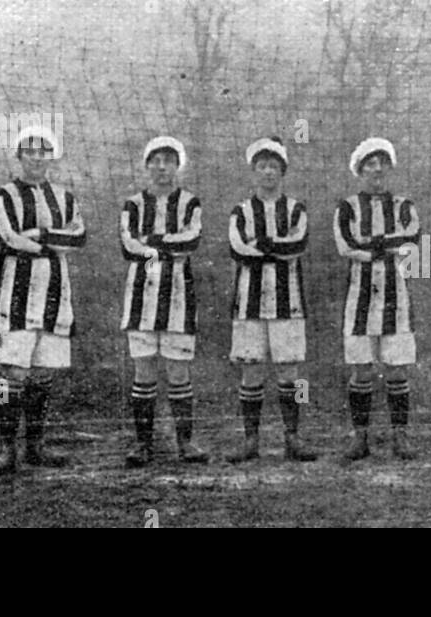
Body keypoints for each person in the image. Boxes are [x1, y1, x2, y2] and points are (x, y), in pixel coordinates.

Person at [0, 125, 86, 474]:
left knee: (43, 371)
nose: (36, 158)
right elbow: (9, 238)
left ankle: (35, 446)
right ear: (19, 156)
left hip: (55, 289)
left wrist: (41, 235)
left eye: (43, 152)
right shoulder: (4, 195)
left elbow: (79, 238)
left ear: (51, 157)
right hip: (16, 288)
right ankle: (5, 447)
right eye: (29, 151)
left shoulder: (65, 197)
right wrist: (50, 245)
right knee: (10, 371)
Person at [227, 137, 318, 462]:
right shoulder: (241, 210)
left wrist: (264, 245)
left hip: (288, 302)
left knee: (290, 372)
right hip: (248, 302)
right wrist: (273, 249)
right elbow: (238, 250)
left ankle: (293, 438)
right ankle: (251, 441)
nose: (268, 172)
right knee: (251, 370)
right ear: (254, 171)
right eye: (262, 166)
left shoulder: (296, 209)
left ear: (282, 172)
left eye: (274, 167)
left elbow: (298, 246)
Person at [120, 136, 209, 467]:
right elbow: (128, 246)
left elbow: (192, 240)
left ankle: (186, 443)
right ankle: (143, 445)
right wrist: (162, 247)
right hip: (141, 294)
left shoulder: (189, 202)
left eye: (168, 161)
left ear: (177, 166)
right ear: (147, 165)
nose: (161, 166)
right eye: (155, 160)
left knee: (178, 370)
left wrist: (153, 243)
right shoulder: (133, 204)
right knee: (143, 372)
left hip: (178, 296)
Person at [332, 137, 421, 461]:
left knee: (397, 369)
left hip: (397, 296)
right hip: (360, 297)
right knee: (362, 370)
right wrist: (384, 246)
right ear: (360, 170)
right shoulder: (347, 207)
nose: (377, 169)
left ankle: (401, 437)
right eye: (370, 164)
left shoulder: (404, 205)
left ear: (389, 167)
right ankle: (360, 438)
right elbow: (346, 245)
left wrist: (371, 246)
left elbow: (411, 241)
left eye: (382, 163)